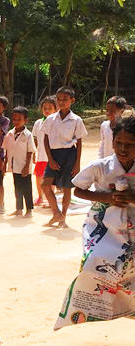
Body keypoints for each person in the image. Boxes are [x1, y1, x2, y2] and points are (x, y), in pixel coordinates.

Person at [54, 117, 135, 330]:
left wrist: (130, 197)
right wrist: (106, 198)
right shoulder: (101, 167)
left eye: (129, 145)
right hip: (104, 228)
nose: (123, 149)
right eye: (118, 143)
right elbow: (78, 189)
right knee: (94, 265)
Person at [41, 86, 88, 228]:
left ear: (72, 100)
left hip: (69, 155)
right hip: (54, 155)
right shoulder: (50, 119)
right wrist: (50, 159)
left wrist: (77, 164)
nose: (61, 102)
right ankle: (56, 213)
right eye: (59, 99)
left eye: (65, 99)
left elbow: (79, 143)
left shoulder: (76, 120)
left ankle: (63, 218)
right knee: (45, 185)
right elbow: (45, 139)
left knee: (67, 188)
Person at [3, 106, 35, 218]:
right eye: (14, 119)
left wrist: (26, 166)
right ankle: (19, 209)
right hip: (14, 166)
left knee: (27, 188)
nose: (16, 122)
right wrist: (5, 164)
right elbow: (7, 150)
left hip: (24, 166)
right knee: (17, 188)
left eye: (19, 119)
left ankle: (29, 210)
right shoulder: (10, 134)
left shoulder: (28, 135)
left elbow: (30, 152)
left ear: (25, 120)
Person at [32, 96, 57, 206]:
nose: (47, 111)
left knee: (51, 179)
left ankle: (51, 198)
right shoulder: (38, 123)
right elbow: (35, 138)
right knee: (39, 177)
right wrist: (33, 153)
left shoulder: (57, 123)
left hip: (53, 157)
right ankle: (40, 197)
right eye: (44, 108)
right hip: (41, 156)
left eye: (50, 108)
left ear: (55, 109)